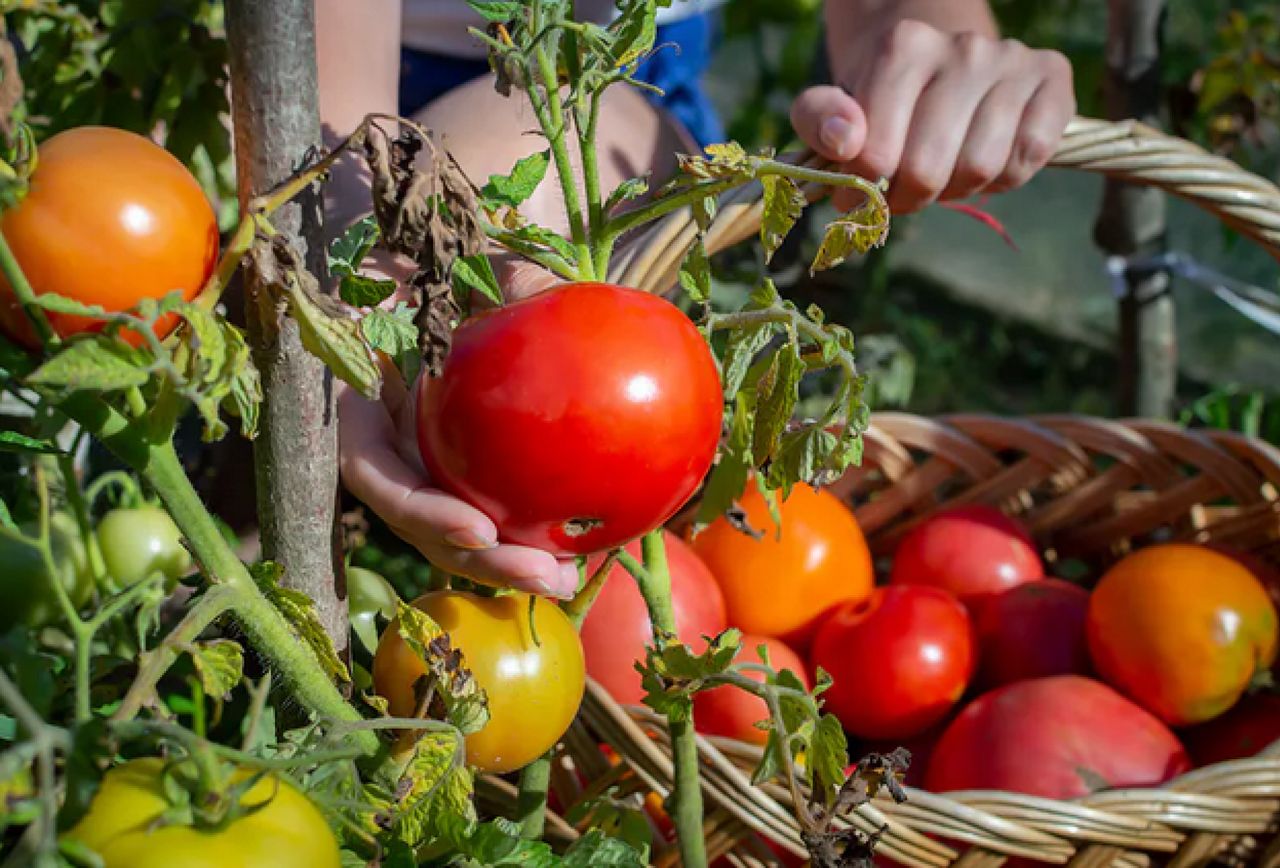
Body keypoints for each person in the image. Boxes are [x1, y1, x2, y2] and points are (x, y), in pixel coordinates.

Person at [319, 0, 1076, 599]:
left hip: (647, 83)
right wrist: (352, 259)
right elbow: (322, 98)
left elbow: (899, 14)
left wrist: (935, 50)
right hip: (366, 99)